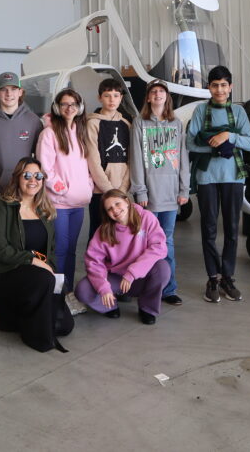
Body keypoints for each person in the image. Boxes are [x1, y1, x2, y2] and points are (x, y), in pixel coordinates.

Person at [0, 157, 73, 352]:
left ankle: (8, 316)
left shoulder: (44, 211)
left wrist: (51, 270)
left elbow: (51, 250)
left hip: (32, 272)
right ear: (17, 178)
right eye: (27, 175)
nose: (33, 180)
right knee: (43, 280)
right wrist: (32, 260)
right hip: (1, 271)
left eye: (38, 176)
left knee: (65, 326)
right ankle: (37, 338)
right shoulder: (1, 206)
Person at [186, 65, 250, 303]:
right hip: (207, 178)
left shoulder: (238, 112)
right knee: (208, 229)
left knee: (232, 229)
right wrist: (213, 144)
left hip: (234, 177)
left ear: (230, 87)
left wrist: (229, 136)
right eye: (215, 85)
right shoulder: (199, 111)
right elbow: (190, 143)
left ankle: (228, 276)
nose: (219, 89)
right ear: (208, 87)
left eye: (224, 85)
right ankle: (213, 277)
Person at [130, 79, 190, 306]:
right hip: (149, 196)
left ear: (167, 97)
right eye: (153, 91)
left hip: (171, 195)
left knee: (168, 243)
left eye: (161, 92)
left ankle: (168, 289)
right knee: (146, 245)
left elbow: (183, 157)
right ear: (148, 97)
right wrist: (140, 191)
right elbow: (135, 158)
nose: (157, 95)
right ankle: (146, 288)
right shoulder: (139, 122)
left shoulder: (176, 123)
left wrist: (184, 188)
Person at [74, 189, 170, 324]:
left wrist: (132, 273)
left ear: (126, 201)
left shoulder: (146, 217)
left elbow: (159, 247)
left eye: (117, 204)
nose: (115, 210)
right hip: (116, 279)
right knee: (82, 290)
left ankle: (147, 308)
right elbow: (93, 261)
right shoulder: (104, 230)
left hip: (140, 277)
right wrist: (104, 288)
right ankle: (109, 305)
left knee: (163, 269)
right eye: (110, 209)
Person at [35, 88, 93, 310]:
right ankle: (57, 293)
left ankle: (67, 291)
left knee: (71, 249)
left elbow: (86, 164)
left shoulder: (81, 131)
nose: (69, 108)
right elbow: (45, 168)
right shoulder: (49, 134)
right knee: (59, 248)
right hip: (59, 201)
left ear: (80, 107)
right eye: (65, 104)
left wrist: (87, 186)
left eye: (74, 104)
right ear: (57, 107)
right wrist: (63, 189)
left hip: (79, 202)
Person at [0, 71, 44, 203]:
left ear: (20, 92)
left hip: (26, 192)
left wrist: (34, 181)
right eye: (4, 89)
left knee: (25, 224)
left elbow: (41, 158)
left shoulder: (33, 121)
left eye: (14, 89)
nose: (9, 94)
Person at [85, 78, 132, 240]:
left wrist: (123, 189)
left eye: (116, 95)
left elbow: (131, 160)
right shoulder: (92, 123)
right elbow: (93, 160)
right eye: (107, 95)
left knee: (119, 234)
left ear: (121, 98)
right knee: (99, 232)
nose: (112, 100)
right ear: (100, 98)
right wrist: (109, 190)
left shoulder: (126, 124)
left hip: (121, 190)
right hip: (101, 191)